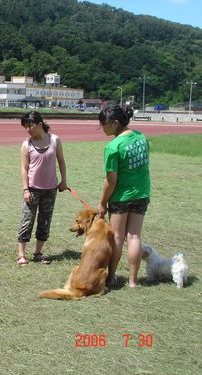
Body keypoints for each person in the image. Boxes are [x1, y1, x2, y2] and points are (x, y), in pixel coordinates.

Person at [97, 104, 150, 288]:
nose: (102, 128)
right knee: (134, 236)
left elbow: (111, 181)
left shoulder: (113, 147)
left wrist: (102, 203)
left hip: (121, 196)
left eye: (104, 124)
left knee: (118, 237)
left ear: (115, 123)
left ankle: (111, 278)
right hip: (142, 192)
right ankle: (133, 281)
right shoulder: (142, 138)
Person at [16, 111, 68, 266]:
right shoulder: (27, 144)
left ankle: (38, 253)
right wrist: (26, 190)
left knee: (45, 221)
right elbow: (24, 169)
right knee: (27, 220)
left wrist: (64, 180)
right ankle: (21, 254)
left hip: (51, 189)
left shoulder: (55, 140)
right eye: (25, 127)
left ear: (40, 124)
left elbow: (61, 161)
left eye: (30, 125)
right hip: (32, 189)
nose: (28, 129)